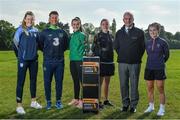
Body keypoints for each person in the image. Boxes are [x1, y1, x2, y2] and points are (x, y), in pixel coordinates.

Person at [114, 12, 145, 113]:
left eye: (130, 18)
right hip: (122, 63)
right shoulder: (119, 32)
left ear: (133, 19)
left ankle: (133, 106)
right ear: (123, 20)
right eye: (126, 19)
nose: (128, 20)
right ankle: (125, 104)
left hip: (135, 63)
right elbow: (116, 47)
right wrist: (124, 55)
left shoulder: (139, 32)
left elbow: (142, 48)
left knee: (134, 84)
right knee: (123, 84)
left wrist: (135, 56)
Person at [13, 11, 42, 114]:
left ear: (33, 20)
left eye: (31, 19)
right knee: (20, 82)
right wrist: (20, 56)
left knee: (33, 81)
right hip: (23, 61)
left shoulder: (36, 31)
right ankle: (19, 105)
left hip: (34, 60)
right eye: (28, 19)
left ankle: (33, 102)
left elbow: (39, 44)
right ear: (25, 19)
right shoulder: (19, 30)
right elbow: (15, 45)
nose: (30, 20)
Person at [39, 11, 69, 110]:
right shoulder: (44, 32)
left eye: (56, 17)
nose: (54, 19)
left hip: (59, 61)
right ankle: (48, 102)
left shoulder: (63, 32)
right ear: (49, 19)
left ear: (58, 19)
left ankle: (58, 101)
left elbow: (65, 46)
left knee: (59, 82)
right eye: (52, 17)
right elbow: (40, 45)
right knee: (47, 82)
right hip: (48, 61)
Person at [144, 22, 169, 116]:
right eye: (150, 30)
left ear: (158, 30)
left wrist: (160, 62)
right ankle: (151, 106)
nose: (152, 32)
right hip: (149, 68)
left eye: (154, 30)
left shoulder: (163, 42)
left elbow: (166, 56)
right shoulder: (147, 42)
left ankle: (162, 108)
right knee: (150, 88)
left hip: (159, 68)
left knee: (160, 88)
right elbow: (148, 53)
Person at [93, 19, 115, 108]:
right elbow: (93, 48)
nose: (105, 25)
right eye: (103, 24)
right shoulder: (97, 35)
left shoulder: (112, 36)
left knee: (107, 82)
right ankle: (98, 101)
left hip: (109, 62)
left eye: (106, 24)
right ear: (100, 25)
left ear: (108, 25)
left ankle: (106, 100)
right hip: (101, 62)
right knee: (100, 82)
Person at [68, 17, 86, 108]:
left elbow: (86, 48)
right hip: (72, 61)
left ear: (80, 25)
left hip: (80, 60)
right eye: (74, 24)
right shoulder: (72, 35)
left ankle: (82, 101)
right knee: (75, 81)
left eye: (77, 24)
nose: (75, 26)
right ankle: (76, 99)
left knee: (82, 81)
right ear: (72, 25)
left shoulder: (82, 35)